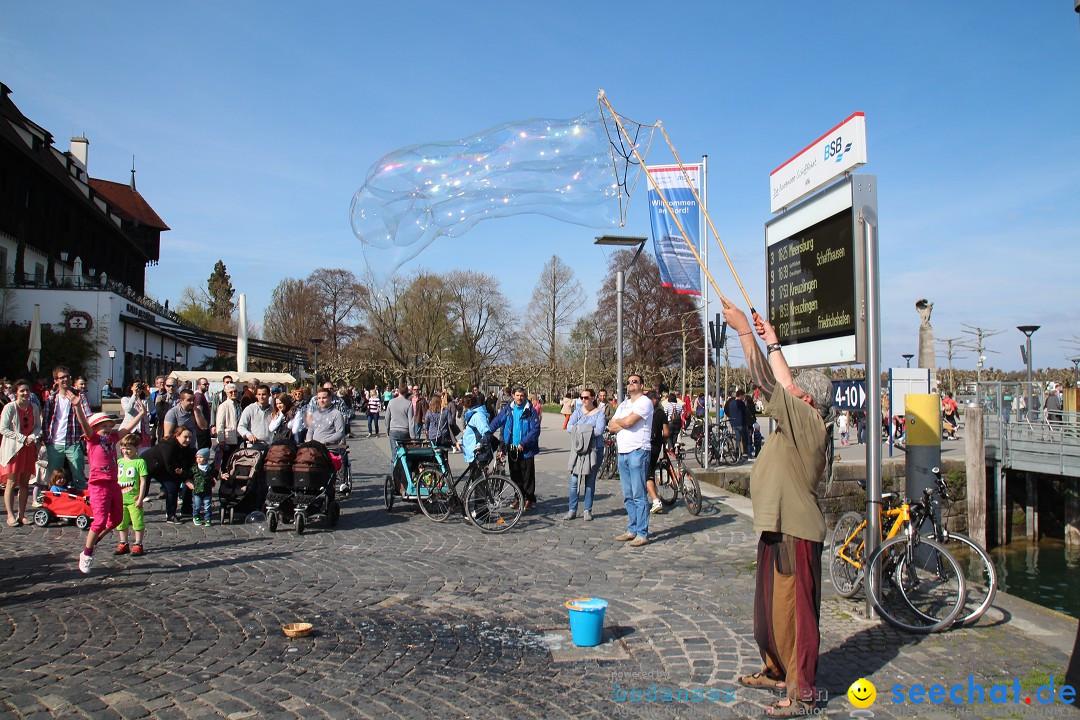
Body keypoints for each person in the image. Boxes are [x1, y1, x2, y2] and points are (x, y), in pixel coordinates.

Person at [724, 301, 831, 716]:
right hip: (775, 525)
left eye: (797, 389)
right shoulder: (803, 411)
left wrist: (744, 336)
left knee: (796, 616)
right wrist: (773, 342)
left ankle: (801, 691)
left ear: (808, 400)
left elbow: (771, 388)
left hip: (796, 530)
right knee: (768, 614)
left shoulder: (809, 422)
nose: (792, 389)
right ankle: (775, 668)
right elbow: (785, 382)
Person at [69, 399, 145, 575]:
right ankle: (86, 554)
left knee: (117, 519)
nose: (108, 429)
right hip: (98, 485)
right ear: (95, 428)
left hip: (113, 483)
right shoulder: (93, 439)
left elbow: (127, 429)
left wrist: (141, 414)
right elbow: (83, 423)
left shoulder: (112, 439)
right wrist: (77, 406)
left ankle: (94, 541)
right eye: (104, 426)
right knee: (100, 520)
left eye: (109, 425)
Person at [608, 373, 653, 547]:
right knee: (628, 495)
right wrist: (623, 422)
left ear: (642, 385)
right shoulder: (624, 404)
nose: (631, 384)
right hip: (623, 452)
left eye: (635, 381)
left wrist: (623, 422)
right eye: (629, 382)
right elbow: (612, 426)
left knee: (639, 493)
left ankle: (642, 532)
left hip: (638, 451)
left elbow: (629, 422)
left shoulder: (644, 402)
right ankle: (632, 528)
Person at [490, 387, 541, 511]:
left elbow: (535, 430)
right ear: (513, 396)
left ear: (525, 396)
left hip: (526, 448)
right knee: (515, 474)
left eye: (522, 396)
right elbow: (497, 421)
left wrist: (524, 442)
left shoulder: (530, 411)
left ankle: (529, 498)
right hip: (512, 447)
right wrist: (487, 432)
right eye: (517, 395)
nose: (519, 398)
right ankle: (518, 496)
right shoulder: (508, 410)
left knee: (527, 475)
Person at [41, 366, 91, 489]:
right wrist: (47, 440)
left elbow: (88, 416)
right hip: (55, 443)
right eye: (62, 377)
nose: (65, 379)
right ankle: (55, 505)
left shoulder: (79, 396)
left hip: (73, 442)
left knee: (79, 476)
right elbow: (46, 420)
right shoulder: (52, 398)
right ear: (56, 381)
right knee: (54, 479)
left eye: (68, 376)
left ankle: (81, 505)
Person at [1, 380, 41, 526]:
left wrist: (33, 437)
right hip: (13, 450)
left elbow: (37, 426)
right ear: (16, 392)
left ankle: (22, 514)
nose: (25, 393)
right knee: (11, 482)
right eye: (22, 391)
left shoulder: (34, 407)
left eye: (27, 391)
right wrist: (22, 438)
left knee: (25, 483)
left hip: (28, 449)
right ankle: (10, 515)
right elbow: (3, 429)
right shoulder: (9, 408)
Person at [564, 388, 605, 521]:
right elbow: (569, 427)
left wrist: (580, 429)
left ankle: (587, 509)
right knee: (574, 480)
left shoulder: (599, 414)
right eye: (582, 397)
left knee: (590, 481)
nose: (583, 400)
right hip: (578, 449)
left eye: (586, 397)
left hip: (594, 449)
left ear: (593, 398)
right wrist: (586, 430)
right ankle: (572, 509)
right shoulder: (577, 412)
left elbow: (599, 430)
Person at [143, 427, 194, 524]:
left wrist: (187, 475)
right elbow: (170, 467)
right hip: (147, 466)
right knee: (143, 491)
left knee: (172, 488)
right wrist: (186, 480)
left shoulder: (186, 447)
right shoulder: (168, 445)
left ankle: (171, 515)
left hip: (163, 469)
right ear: (177, 436)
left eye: (190, 438)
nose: (188, 440)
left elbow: (188, 465)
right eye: (185, 437)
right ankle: (126, 515)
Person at [114, 432, 149, 556]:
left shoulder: (140, 462)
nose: (125, 451)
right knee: (121, 522)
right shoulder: (119, 462)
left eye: (128, 448)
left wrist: (140, 498)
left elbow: (143, 481)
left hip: (134, 498)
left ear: (136, 448)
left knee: (137, 522)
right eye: (123, 448)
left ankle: (138, 543)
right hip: (120, 498)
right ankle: (123, 543)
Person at [645, 390, 667, 515]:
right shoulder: (661, 413)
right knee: (650, 470)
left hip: (646, 445)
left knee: (647, 474)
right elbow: (666, 432)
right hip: (656, 445)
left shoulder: (645, 412)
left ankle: (655, 500)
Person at [188, 447, 217, 526]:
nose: (199, 459)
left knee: (207, 505)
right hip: (197, 491)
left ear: (206, 458)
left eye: (201, 457)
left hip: (207, 491)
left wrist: (221, 476)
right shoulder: (194, 468)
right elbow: (188, 475)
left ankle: (208, 519)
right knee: (197, 505)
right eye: (197, 457)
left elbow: (215, 475)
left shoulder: (210, 468)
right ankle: (196, 517)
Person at [385, 386, 415, 461]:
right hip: (405, 431)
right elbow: (411, 421)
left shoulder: (391, 402)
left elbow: (387, 417)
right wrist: (413, 436)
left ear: (398, 391)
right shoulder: (408, 404)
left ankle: (394, 471)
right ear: (406, 392)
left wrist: (388, 429)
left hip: (393, 430)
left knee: (394, 454)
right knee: (405, 453)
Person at [216, 383, 241, 468]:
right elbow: (220, 424)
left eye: (235, 391)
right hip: (228, 438)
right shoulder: (224, 406)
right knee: (226, 461)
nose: (233, 393)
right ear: (226, 393)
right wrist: (221, 439)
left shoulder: (238, 404)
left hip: (238, 437)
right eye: (231, 392)